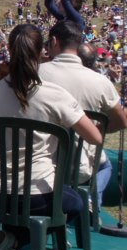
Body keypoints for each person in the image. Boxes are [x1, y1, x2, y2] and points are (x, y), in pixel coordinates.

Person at [0, 23, 101, 250]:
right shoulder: (53, 94)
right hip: (38, 194)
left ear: (9, 50)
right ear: (43, 52)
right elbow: (94, 137)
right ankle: (15, 242)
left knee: (15, 206)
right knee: (76, 202)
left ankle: (11, 241)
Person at [39, 20, 127, 207]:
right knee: (104, 164)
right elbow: (121, 121)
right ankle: (91, 203)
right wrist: (94, 128)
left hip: (37, 165)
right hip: (77, 168)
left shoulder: (34, 74)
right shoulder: (100, 82)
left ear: (54, 41)